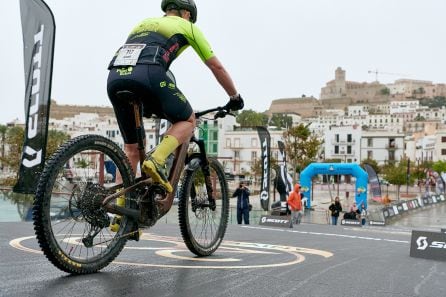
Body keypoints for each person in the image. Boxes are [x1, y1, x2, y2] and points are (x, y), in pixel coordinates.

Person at [107, 0, 244, 194]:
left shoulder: (143, 23)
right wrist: (234, 97)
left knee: (132, 149)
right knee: (188, 120)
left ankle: (119, 210)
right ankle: (156, 160)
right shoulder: (188, 27)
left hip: (115, 77)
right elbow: (216, 67)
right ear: (187, 13)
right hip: (149, 74)